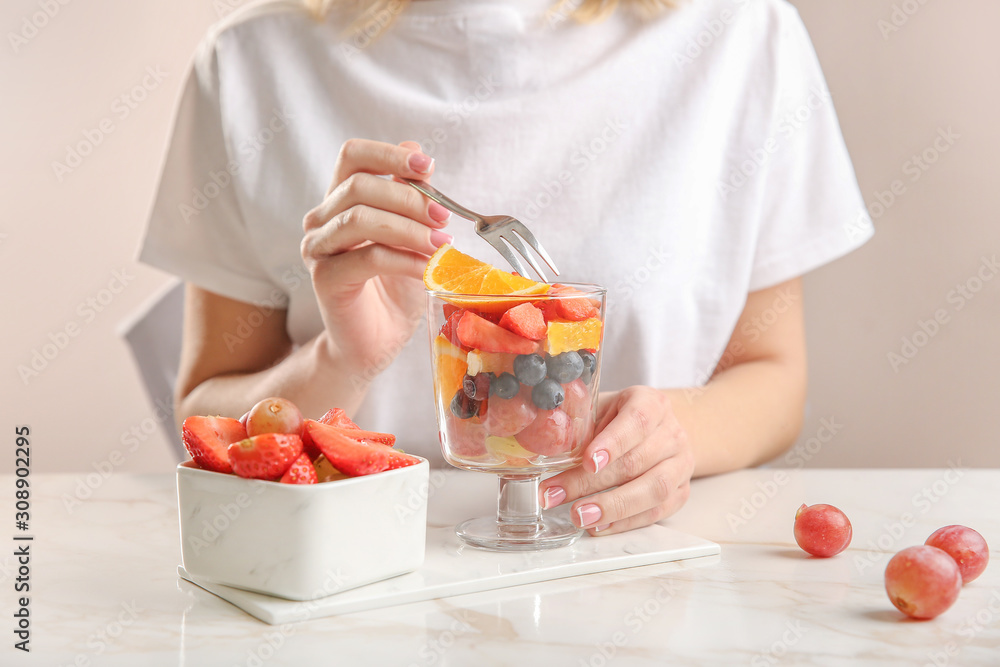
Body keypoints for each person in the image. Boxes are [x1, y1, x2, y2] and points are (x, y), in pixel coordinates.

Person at [140, 0, 873, 536]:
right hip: (351, 590)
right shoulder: (250, 61)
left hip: (646, 570)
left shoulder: (740, 33)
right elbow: (208, 415)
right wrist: (344, 358)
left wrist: (669, 432)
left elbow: (776, 377)